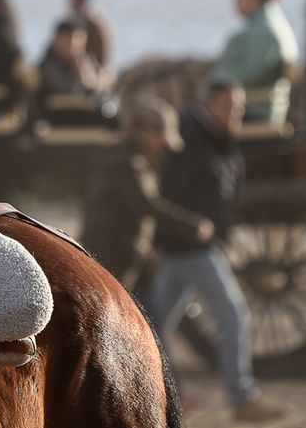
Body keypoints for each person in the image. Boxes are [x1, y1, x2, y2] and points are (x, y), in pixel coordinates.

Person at [149, 83, 284, 423]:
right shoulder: (191, 138)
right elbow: (168, 191)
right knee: (233, 314)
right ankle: (242, 397)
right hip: (192, 245)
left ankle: (163, 393)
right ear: (208, 105)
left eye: (238, 108)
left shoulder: (219, 136)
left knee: (154, 323)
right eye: (228, 107)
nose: (235, 114)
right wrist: (168, 235)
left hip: (191, 246)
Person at [80, 93, 213, 293]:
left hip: (125, 255)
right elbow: (148, 205)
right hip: (112, 254)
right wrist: (192, 226)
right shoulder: (126, 163)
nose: (164, 147)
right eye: (161, 138)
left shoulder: (134, 160)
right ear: (147, 131)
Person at [212, 0, 300, 128]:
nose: (236, 0)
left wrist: (218, 79)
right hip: (257, 105)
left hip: (255, 109)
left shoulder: (264, 29)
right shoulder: (270, 22)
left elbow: (255, 71)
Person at [38, 17, 99, 96]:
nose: (76, 45)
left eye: (81, 40)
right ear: (57, 40)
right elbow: (66, 92)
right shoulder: (48, 65)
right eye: (68, 39)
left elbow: (94, 89)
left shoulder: (82, 60)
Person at [68, 0, 115, 75]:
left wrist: (99, 68)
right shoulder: (79, 18)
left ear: (81, 2)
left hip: (96, 65)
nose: (72, 5)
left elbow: (102, 47)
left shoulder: (92, 20)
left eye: (74, 2)